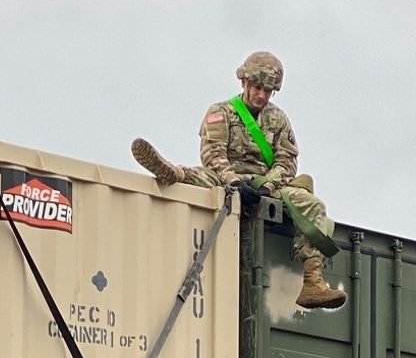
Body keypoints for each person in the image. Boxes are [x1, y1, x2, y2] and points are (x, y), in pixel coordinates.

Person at [131, 51, 346, 311]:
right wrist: (233, 182)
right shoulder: (221, 112)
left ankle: (313, 283)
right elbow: (214, 154)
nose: (262, 95)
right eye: (258, 87)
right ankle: (172, 173)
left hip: (266, 184)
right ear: (244, 82)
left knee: (312, 204)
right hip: (227, 177)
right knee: (200, 176)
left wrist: (269, 184)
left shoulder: (278, 119)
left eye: (269, 91)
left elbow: (287, 160)